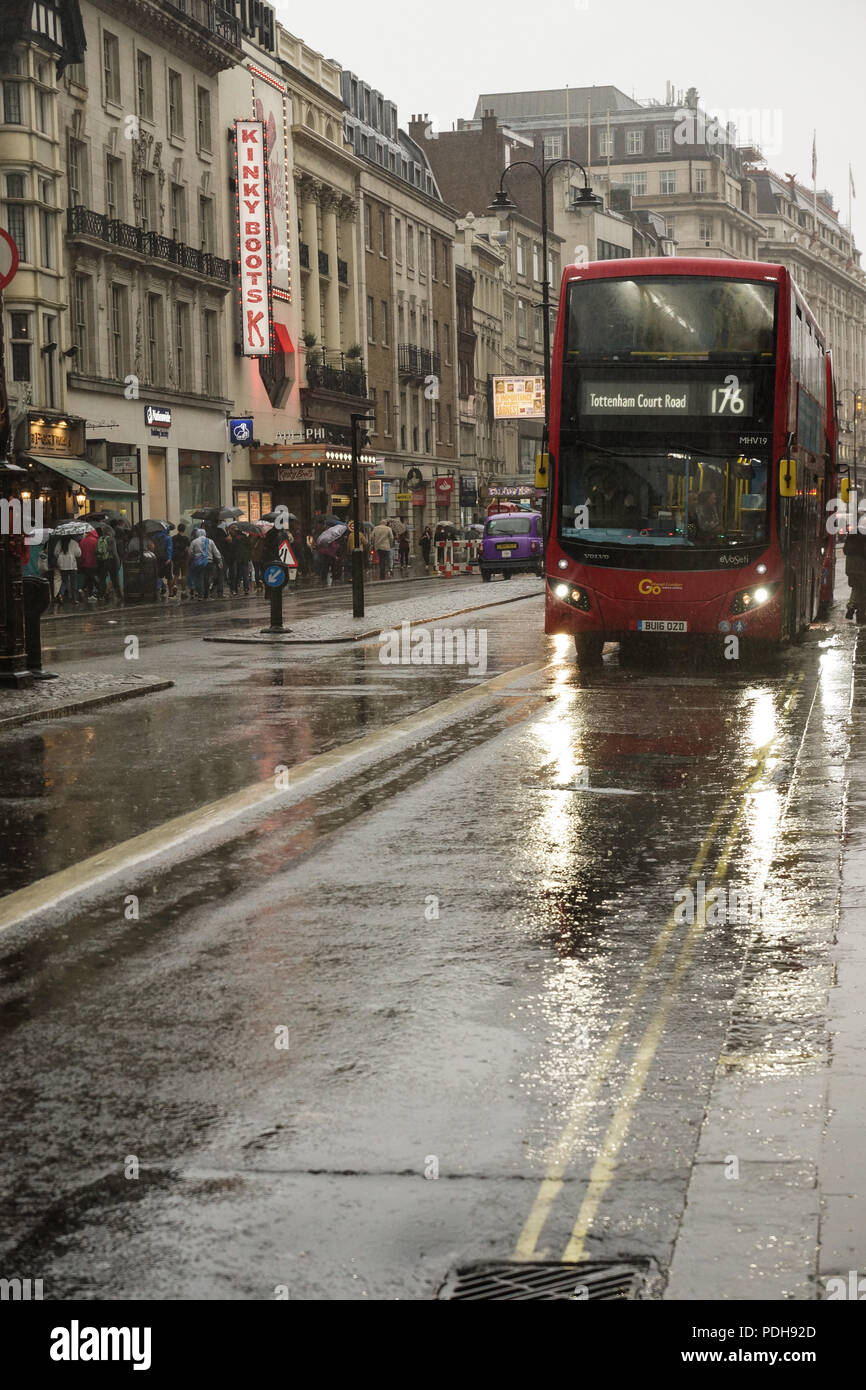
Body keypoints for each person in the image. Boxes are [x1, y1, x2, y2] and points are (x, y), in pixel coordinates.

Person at [188, 527, 221, 600]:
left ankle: (200, 595)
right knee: (207, 579)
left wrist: (193, 559)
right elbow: (216, 552)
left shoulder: (194, 541)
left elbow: (190, 553)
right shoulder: (210, 541)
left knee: (199, 578)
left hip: (198, 563)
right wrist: (219, 560)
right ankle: (207, 595)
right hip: (209, 562)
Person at [844, 529, 866, 622]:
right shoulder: (863, 536)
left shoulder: (851, 535)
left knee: (856, 587)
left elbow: (845, 550)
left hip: (850, 567)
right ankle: (858, 610)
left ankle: (851, 606)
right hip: (860, 566)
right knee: (862, 588)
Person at [55, 534, 81, 605]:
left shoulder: (59, 542)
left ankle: (60, 594)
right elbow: (78, 554)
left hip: (62, 565)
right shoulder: (74, 542)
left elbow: (55, 553)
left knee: (64, 581)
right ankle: (75, 599)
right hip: (72, 564)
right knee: (74, 582)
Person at [95, 524, 118, 602]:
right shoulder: (111, 540)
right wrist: (117, 563)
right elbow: (115, 553)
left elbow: (97, 551)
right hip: (110, 561)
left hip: (102, 561)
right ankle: (119, 595)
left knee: (102, 579)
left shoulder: (100, 539)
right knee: (114, 579)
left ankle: (101, 595)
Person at [78, 525, 100, 601]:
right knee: (92, 577)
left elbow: (80, 553)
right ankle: (99, 589)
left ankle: (88, 593)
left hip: (85, 562)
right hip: (94, 562)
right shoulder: (96, 541)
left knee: (89, 577)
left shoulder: (82, 541)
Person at [229, 525, 252, 595]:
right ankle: (246, 589)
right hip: (245, 558)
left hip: (237, 558)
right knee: (245, 574)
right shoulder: (245, 537)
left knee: (236, 574)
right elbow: (249, 546)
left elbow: (232, 548)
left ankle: (235, 589)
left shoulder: (234, 538)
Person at [153, 527, 174, 598]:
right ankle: (170, 593)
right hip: (166, 559)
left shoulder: (154, 537)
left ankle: (157, 591)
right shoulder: (168, 538)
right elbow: (169, 548)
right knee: (169, 577)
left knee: (158, 575)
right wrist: (169, 558)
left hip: (157, 559)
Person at [173, 523, 191, 598]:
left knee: (176, 574)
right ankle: (183, 591)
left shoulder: (173, 538)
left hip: (175, 558)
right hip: (183, 559)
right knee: (184, 575)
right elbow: (187, 549)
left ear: (178, 529)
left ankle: (174, 585)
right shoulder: (186, 538)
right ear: (184, 529)